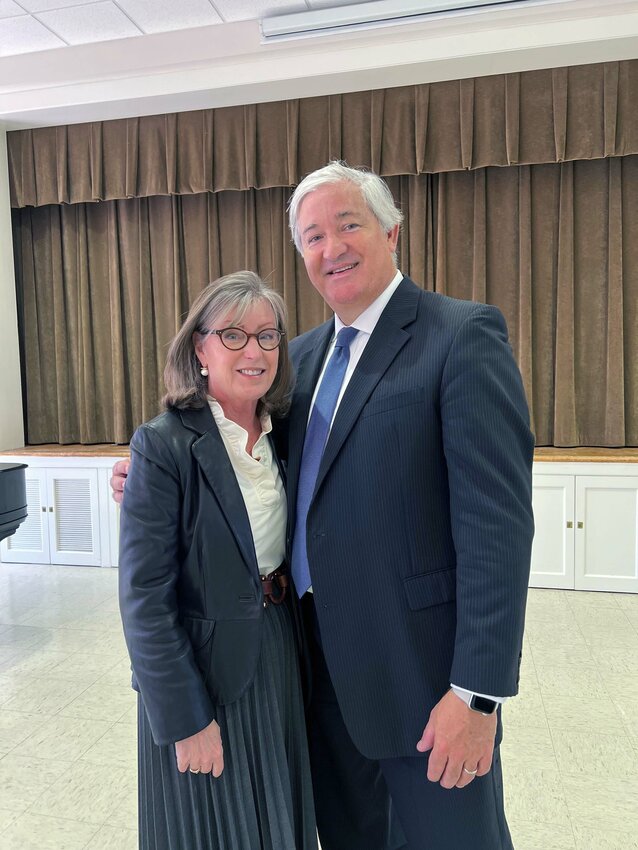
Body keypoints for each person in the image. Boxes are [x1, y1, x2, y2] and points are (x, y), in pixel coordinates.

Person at [114, 162, 535, 850]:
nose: (331, 247)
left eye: (348, 224)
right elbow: (251, 466)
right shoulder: (297, 361)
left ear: (391, 232)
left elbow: (498, 530)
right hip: (315, 679)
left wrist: (477, 695)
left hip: (423, 684)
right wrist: (150, 471)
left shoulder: (460, 336)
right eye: (312, 236)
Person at [117, 271, 317, 850]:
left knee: (275, 816)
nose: (253, 350)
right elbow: (143, 600)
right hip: (201, 674)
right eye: (232, 335)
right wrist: (184, 720)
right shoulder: (164, 445)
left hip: (277, 650)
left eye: (267, 335)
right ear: (199, 350)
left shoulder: (285, 435)